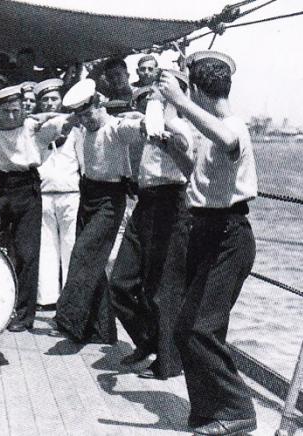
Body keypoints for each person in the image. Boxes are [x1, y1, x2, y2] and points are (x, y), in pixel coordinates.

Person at [157, 51, 258, 435]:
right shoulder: (212, 132)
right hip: (207, 231)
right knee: (187, 328)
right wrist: (174, 151)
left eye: (189, 93)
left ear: (197, 90)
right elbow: (199, 182)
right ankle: (209, 410)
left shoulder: (232, 127)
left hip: (229, 236)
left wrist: (179, 102)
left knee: (201, 328)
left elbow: (229, 139)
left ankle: (238, 411)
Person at [0, 85, 70, 332]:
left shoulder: (32, 127)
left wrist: (43, 115)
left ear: (22, 109)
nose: (11, 116)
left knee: (27, 252)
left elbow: (66, 120)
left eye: (16, 110)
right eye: (6, 111)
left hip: (27, 187)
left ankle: (23, 315)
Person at [110, 72, 194, 381]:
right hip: (145, 203)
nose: (152, 94)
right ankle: (148, 341)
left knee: (164, 288)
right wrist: (145, 122)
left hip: (171, 203)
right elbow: (121, 129)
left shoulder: (180, 126)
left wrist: (167, 132)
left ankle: (168, 362)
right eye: (154, 90)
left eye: (160, 90)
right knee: (120, 282)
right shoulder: (147, 122)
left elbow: (187, 153)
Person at [50, 79, 144, 344]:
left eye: (89, 114)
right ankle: (101, 330)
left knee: (84, 252)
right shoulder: (84, 126)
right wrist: (70, 120)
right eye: (80, 116)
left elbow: (139, 127)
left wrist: (142, 117)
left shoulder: (116, 128)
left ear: (100, 104)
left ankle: (68, 317)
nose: (86, 121)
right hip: (88, 193)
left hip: (110, 198)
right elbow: (55, 122)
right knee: (94, 261)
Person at [34, 78, 83, 308]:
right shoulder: (36, 129)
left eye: (54, 98)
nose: (49, 103)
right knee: (46, 247)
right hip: (44, 194)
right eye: (45, 100)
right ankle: (47, 298)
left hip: (70, 193)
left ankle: (70, 298)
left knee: (70, 245)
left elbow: (82, 161)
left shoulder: (74, 128)